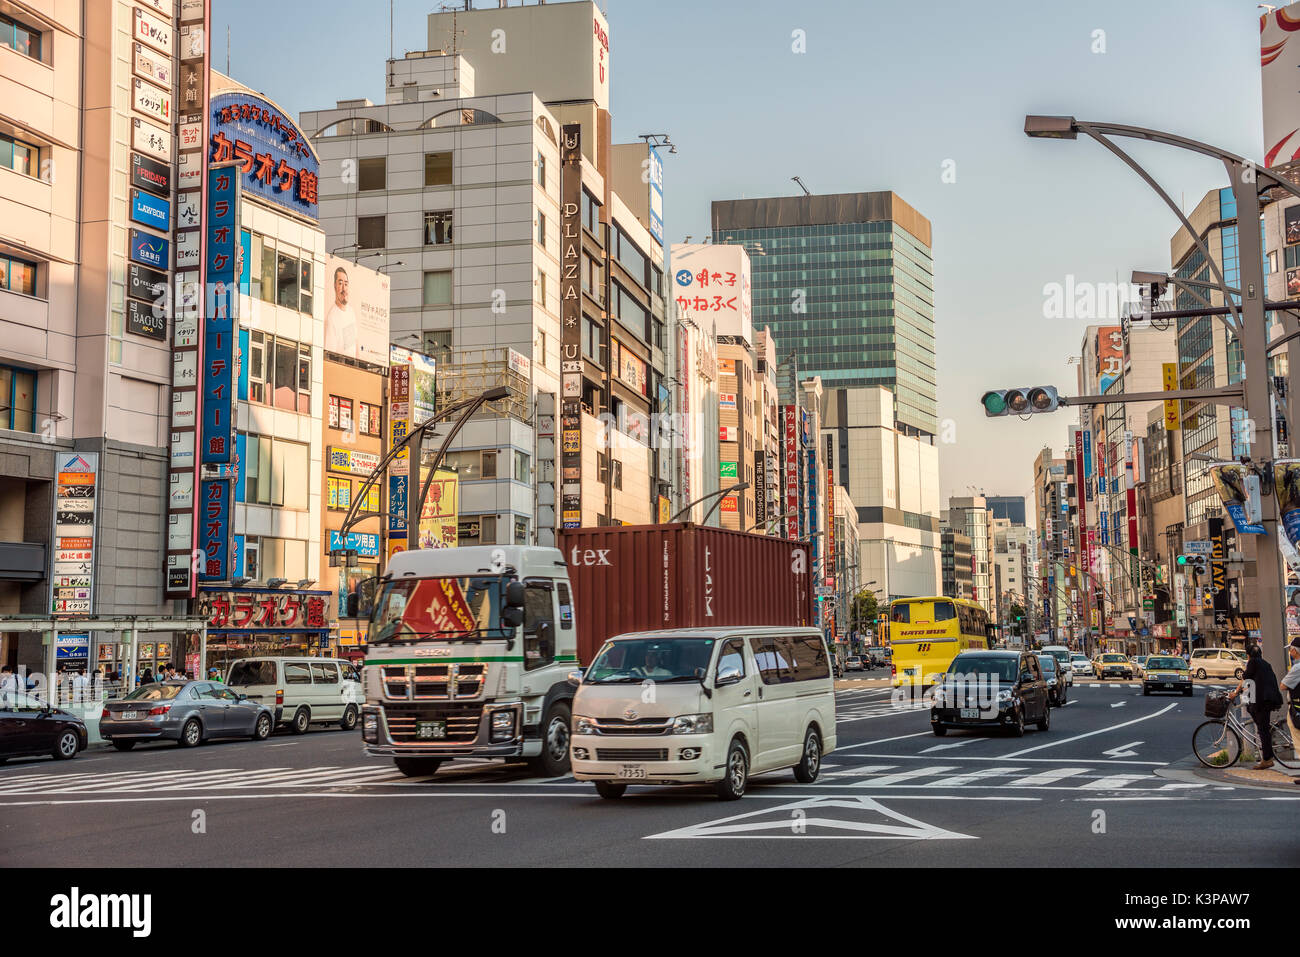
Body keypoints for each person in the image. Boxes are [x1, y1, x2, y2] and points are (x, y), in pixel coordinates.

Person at [1228, 643, 1284, 770]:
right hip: (1269, 698)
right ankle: (1267, 755)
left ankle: (1267, 759)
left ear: (1248, 655)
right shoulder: (1265, 663)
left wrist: (1235, 693)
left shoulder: (1252, 663)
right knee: (1261, 724)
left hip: (1262, 700)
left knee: (1262, 729)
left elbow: (1245, 679)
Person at [323, 266, 357, 358]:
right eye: (340, 283)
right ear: (335, 286)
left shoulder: (351, 312)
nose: (344, 289)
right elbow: (329, 353)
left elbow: (353, 346)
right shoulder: (331, 317)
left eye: (346, 284)